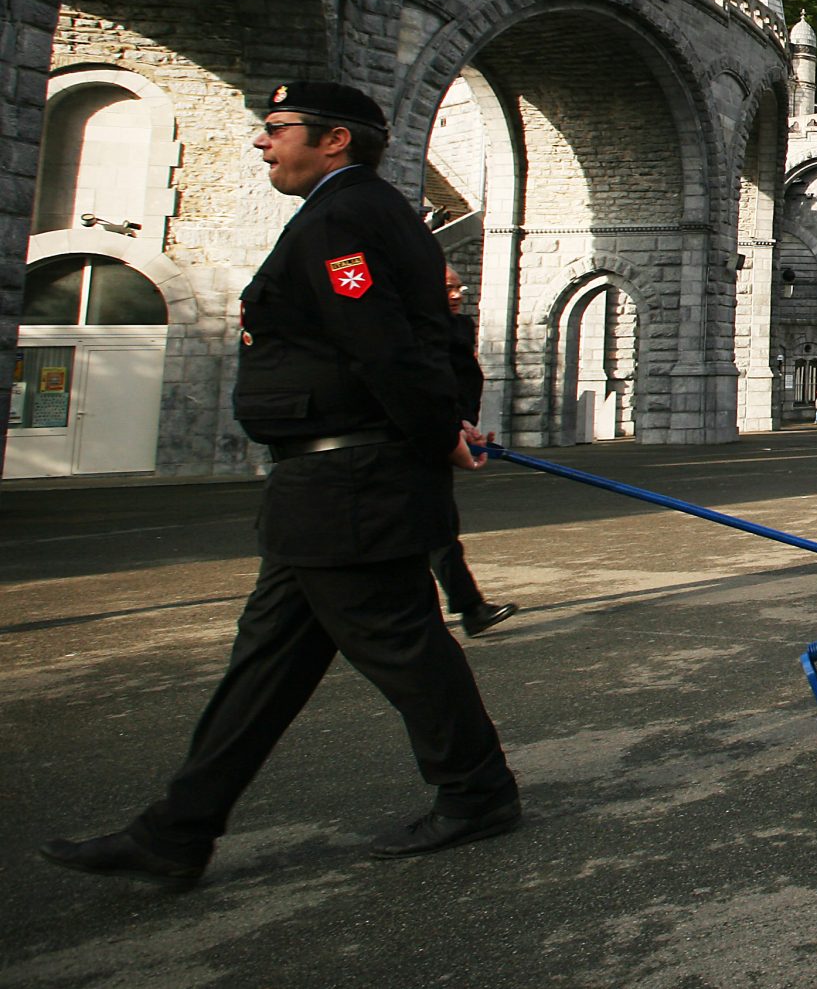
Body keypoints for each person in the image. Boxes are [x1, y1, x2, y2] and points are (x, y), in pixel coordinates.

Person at [42, 82, 519, 890]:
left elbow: (384, 343)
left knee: (400, 644)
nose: (263, 143)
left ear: (335, 140)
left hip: (347, 476)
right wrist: (443, 422)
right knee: (268, 663)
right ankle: (177, 829)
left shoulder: (343, 218)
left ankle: (476, 791)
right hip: (333, 477)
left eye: (278, 129)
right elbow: (417, 338)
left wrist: (440, 430)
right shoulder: (367, 211)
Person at [428, 267, 516, 638]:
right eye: (447, 288)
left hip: (439, 434)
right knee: (434, 529)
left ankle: (470, 607)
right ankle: (470, 607)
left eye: (458, 287)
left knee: (437, 528)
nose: (456, 294)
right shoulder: (409, 333)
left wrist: (464, 424)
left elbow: (464, 381)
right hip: (412, 441)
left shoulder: (457, 329)